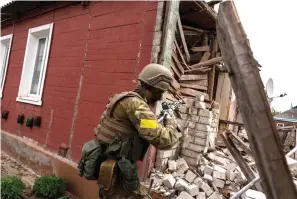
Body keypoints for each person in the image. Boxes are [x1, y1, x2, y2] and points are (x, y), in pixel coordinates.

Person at [94, 63, 179, 199]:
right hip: (119, 174)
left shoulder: (123, 97)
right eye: (161, 91)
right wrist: (170, 121)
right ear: (155, 89)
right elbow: (165, 141)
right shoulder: (137, 105)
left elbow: (138, 125)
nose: (162, 96)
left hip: (109, 167)